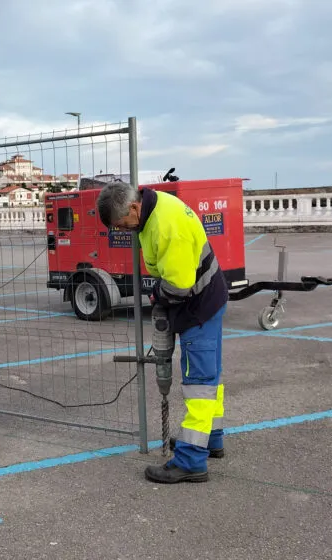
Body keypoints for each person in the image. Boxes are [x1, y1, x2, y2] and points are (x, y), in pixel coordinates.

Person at [96, 182, 229, 484]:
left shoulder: (168, 226)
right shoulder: (152, 209)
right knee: (209, 378)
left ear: (133, 208)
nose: (123, 230)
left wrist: (157, 298)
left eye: (122, 224)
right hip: (206, 299)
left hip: (199, 307)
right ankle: (210, 439)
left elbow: (179, 286)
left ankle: (191, 460)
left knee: (199, 383)